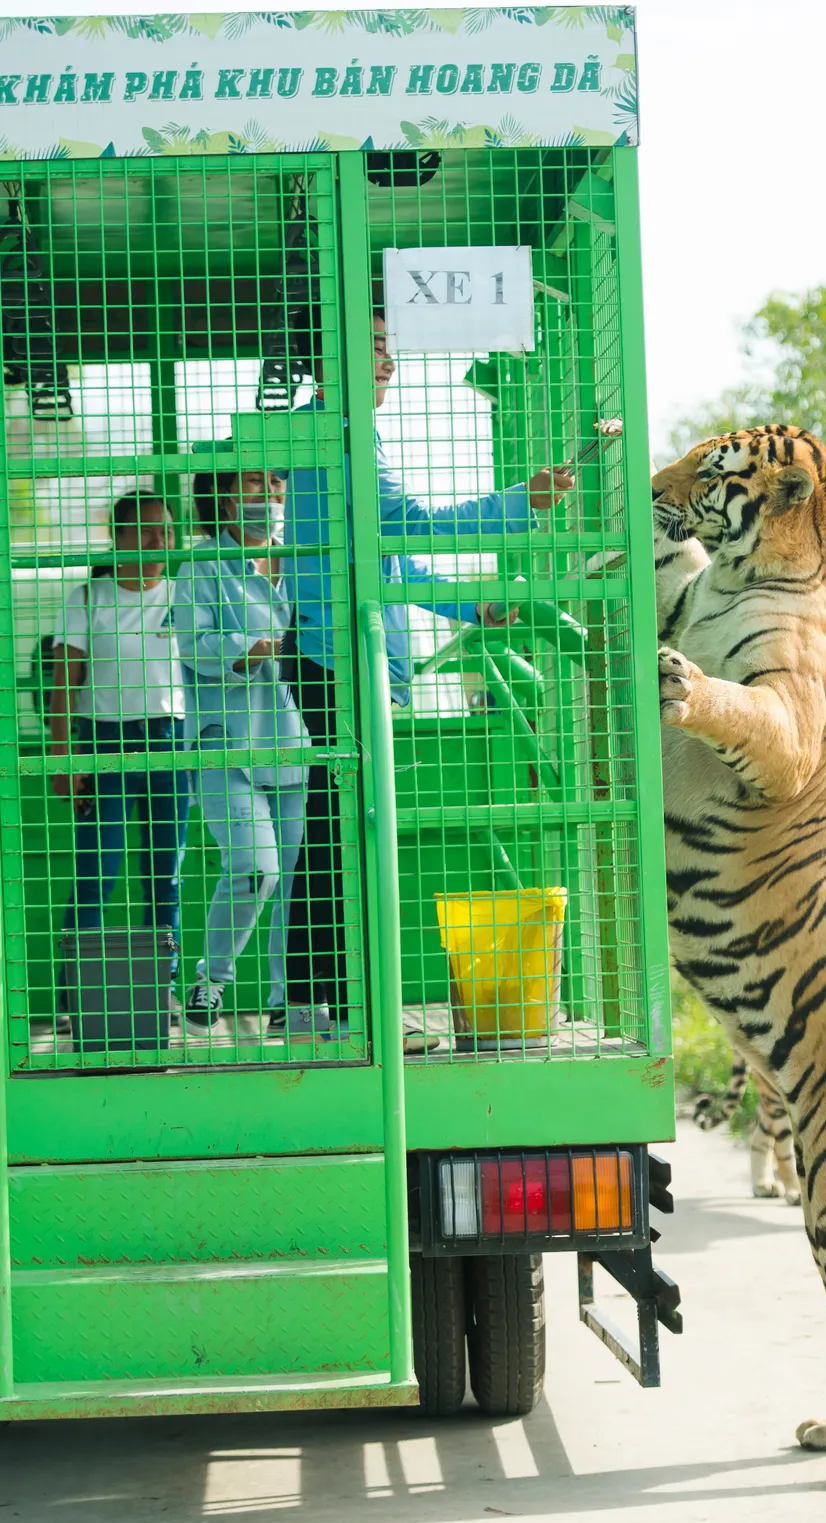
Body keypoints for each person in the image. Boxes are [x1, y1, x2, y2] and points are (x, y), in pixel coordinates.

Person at [280, 312, 574, 1043]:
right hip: (336, 662)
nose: (386, 362)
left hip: (354, 659)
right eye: (368, 346)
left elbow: (393, 562)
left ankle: (344, 1010)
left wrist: (472, 602)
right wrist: (518, 501)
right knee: (340, 834)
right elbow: (406, 526)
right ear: (327, 358)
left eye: (389, 348)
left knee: (348, 832)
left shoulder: (348, 433)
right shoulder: (335, 433)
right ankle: (331, 1012)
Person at [172, 468, 309, 1035]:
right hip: (225, 743)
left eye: (274, 484)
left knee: (299, 878)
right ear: (221, 498)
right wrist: (246, 649)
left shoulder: (306, 553)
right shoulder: (202, 564)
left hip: (296, 740)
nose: (268, 494)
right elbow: (192, 642)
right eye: (253, 484)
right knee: (257, 868)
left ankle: (288, 1000)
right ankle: (211, 981)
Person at [51, 491, 190, 1020]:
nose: (161, 542)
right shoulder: (88, 597)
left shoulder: (183, 594)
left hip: (169, 742)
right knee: (97, 870)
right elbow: (66, 680)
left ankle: (166, 989)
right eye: (148, 531)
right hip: (103, 742)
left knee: (165, 873)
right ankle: (74, 996)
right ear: (119, 537)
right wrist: (64, 755)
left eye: (168, 531)